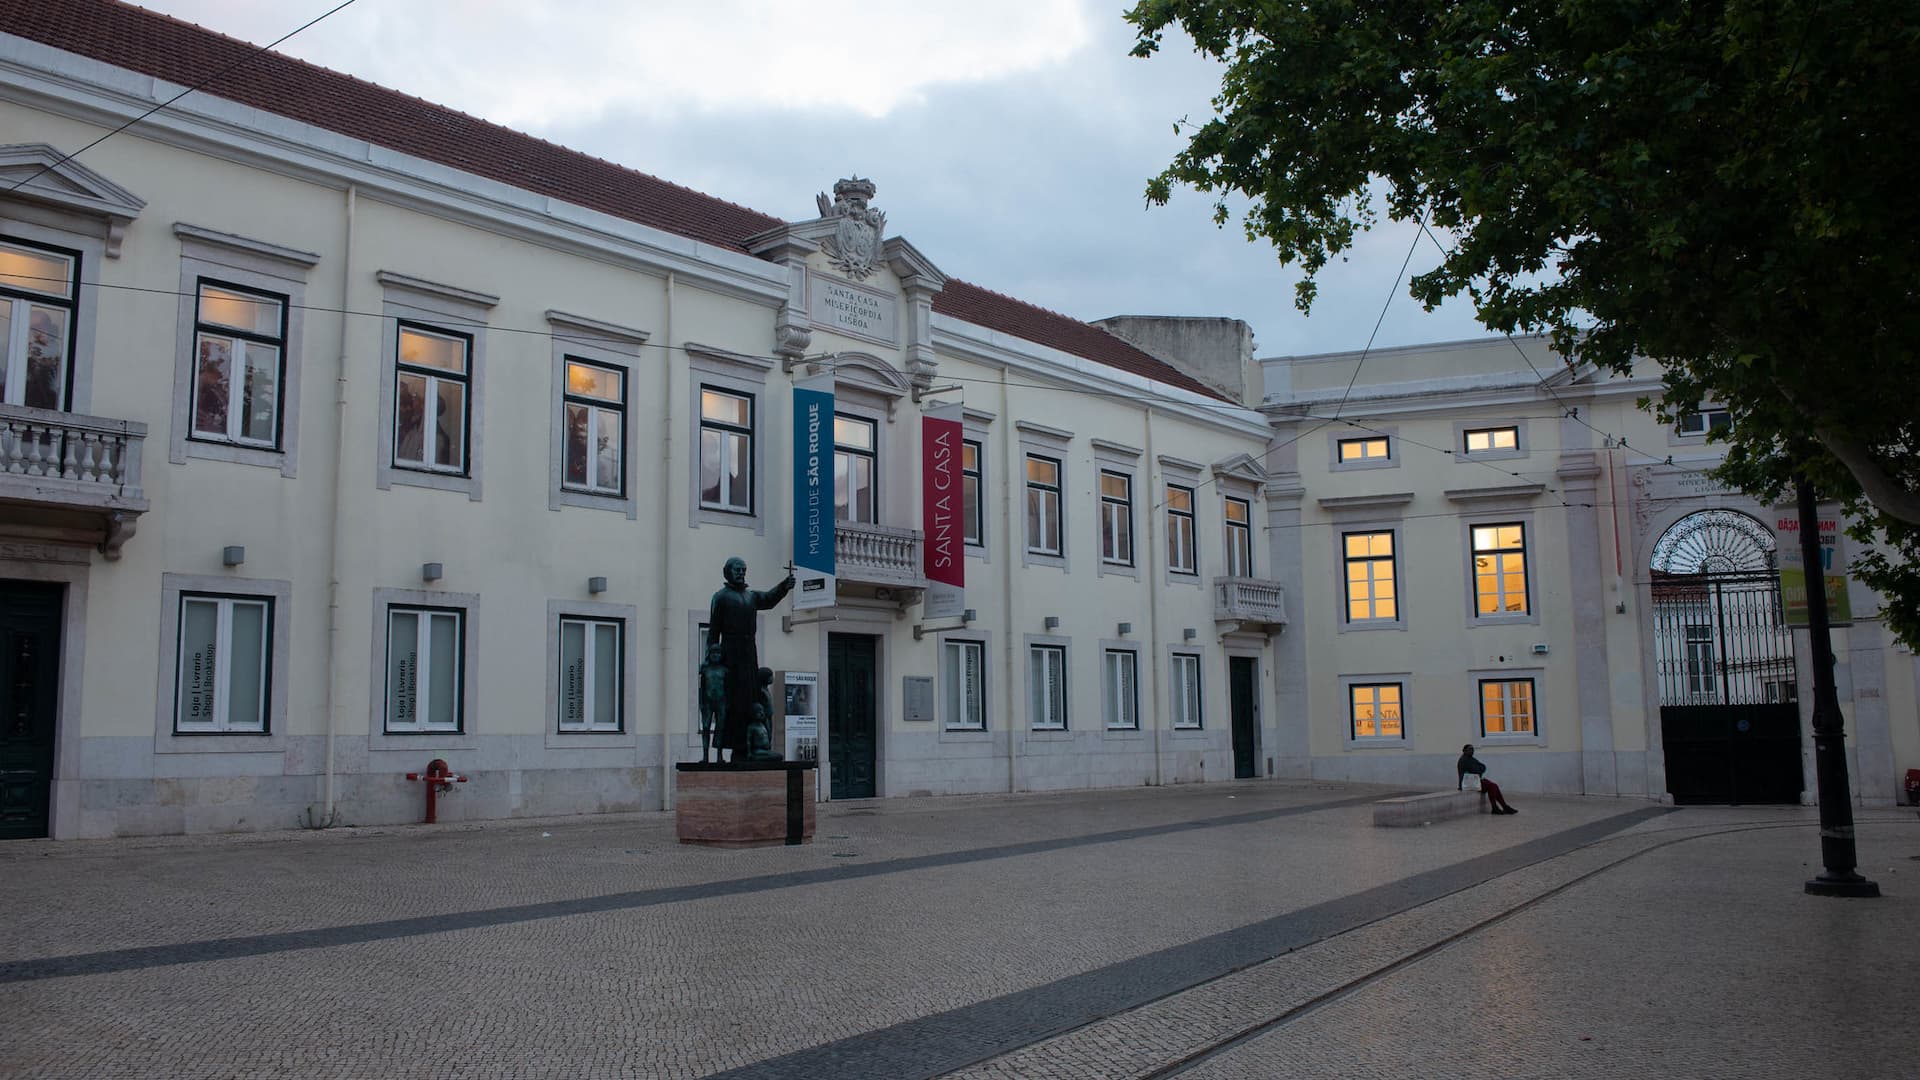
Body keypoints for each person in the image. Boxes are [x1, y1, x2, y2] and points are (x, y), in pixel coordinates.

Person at [705, 558, 794, 762]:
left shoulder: (751, 596)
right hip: (730, 652)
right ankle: (736, 747)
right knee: (733, 700)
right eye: (737, 570)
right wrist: (711, 661)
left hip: (748, 652)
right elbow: (713, 632)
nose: (741, 573)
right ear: (727, 572)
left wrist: (783, 587)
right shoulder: (721, 598)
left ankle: (752, 747)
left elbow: (769, 599)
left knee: (750, 696)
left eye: (744, 570)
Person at [1457, 743, 1518, 814]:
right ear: (1464, 751)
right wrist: (1479, 770)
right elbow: (1476, 770)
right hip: (1468, 784)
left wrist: (1478, 770)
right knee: (1492, 786)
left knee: (1494, 785)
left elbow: (1483, 766)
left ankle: (1503, 807)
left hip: (1474, 781)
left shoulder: (1471, 759)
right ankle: (1496, 807)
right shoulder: (1464, 760)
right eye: (1469, 749)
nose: (1472, 751)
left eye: (1472, 749)